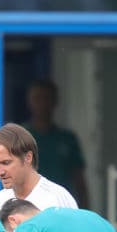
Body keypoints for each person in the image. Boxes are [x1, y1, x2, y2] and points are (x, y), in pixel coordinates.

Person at [22, 79, 88, 207]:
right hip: (28, 206)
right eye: (37, 99)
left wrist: (85, 210)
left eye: (47, 98)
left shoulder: (67, 139)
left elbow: (79, 180)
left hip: (61, 205)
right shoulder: (20, 137)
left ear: (55, 101)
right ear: (29, 101)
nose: (42, 104)